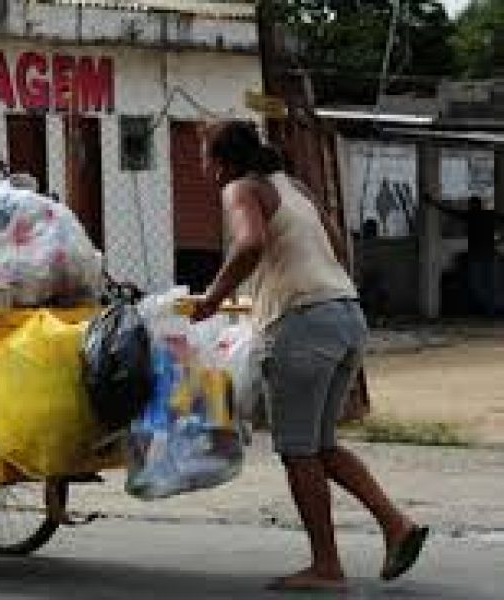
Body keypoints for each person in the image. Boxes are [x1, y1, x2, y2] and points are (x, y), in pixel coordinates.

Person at [193, 120, 428, 591]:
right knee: (320, 446)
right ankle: (395, 524)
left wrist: (213, 298)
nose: (202, 165)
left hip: (301, 326)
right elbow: (335, 244)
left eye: (203, 155)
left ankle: (326, 566)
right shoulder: (292, 187)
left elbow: (251, 243)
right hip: (345, 317)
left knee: (298, 451)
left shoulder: (240, 189)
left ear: (219, 161)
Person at [424, 194, 504, 316]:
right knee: (489, 284)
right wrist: (500, 241)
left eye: (470, 205)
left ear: (472, 205)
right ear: (480, 205)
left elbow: (449, 211)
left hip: (477, 255)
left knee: (478, 284)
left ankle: (490, 308)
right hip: (488, 255)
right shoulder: (488, 215)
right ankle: (492, 309)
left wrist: (432, 202)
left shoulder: (471, 216)